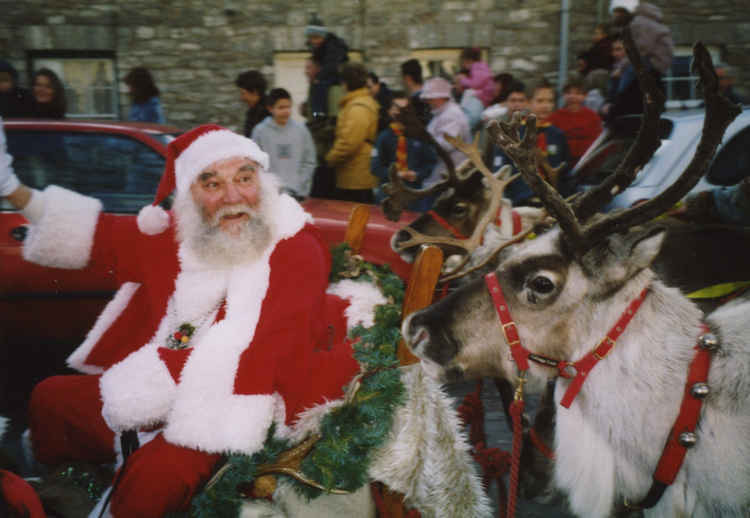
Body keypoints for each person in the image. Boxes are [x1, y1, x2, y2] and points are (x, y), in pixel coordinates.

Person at [1, 123, 367, 517]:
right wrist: (11, 190)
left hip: (243, 402)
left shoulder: (296, 250)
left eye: (244, 179)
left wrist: (153, 387)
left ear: (262, 183)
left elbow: (265, 357)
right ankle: (68, 486)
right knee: (52, 399)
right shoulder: (186, 238)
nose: (232, 197)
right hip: (163, 384)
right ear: (191, 196)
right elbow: (102, 236)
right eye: (212, 184)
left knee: (156, 476)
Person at [489, 80, 570, 205]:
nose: (546, 106)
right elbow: (499, 173)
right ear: (528, 103)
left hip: (551, 206)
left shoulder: (558, 135)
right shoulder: (510, 134)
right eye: (540, 101)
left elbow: (564, 175)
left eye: (550, 101)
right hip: (519, 203)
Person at [371, 92, 438, 211]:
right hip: (389, 194)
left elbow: (431, 162)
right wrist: (396, 175)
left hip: (414, 195)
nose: (400, 113)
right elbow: (375, 167)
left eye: (405, 109)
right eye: (396, 108)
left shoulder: (419, 135)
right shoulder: (383, 137)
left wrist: (418, 174)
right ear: (389, 111)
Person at [325, 62, 379, 203]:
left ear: (345, 83)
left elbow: (349, 143)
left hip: (356, 176)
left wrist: (330, 159)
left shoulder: (358, 107)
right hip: (356, 173)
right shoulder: (358, 103)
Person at [251, 88, 316, 199]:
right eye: (281, 108)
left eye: (288, 107)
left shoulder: (301, 130)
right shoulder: (260, 131)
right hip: (270, 194)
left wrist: (300, 184)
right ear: (270, 108)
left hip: (298, 193)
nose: (286, 111)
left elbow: (309, 161)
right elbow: (255, 163)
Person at [421, 76, 471, 187]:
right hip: (442, 170)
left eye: (430, 98)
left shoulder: (452, 114)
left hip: (452, 171)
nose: (428, 102)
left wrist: (425, 140)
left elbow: (447, 144)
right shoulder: (441, 113)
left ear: (441, 97)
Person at [547, 77, 603, 167]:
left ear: (585, 96)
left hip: (586, 162)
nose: (573, 96)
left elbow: (597, 142)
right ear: (563, 95)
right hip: (561, 163)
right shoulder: (554, 117)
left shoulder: (592, 117)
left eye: (578, 93)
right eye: (568, 93)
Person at [305, 14, 349, 117]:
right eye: (311, 38)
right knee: (317, 86)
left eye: (316, 38)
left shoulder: (333, 45)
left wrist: (318, 77)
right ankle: (315, 112)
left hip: (338, 76)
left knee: (320, 85)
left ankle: (319, 113)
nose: (314, 42)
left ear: (322, 36)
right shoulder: (319, 47)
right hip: (328, 74)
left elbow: (332, 65)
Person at [235, 70, 270, 138]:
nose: (242, 98)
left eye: (243, 93)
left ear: (255, 91)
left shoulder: (269, 112)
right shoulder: (253, 112)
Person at [400, 59, 432, 126]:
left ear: (408, 78)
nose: (402, 81)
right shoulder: (428, 95)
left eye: (402, 77)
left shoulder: (418, 99)